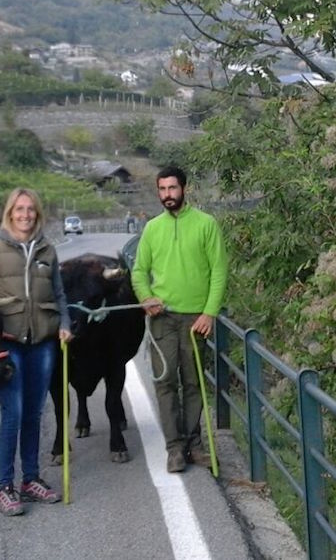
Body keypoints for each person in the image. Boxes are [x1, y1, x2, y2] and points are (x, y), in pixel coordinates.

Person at [0, 187, 73, 515]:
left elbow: (59, 293)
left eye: (30, 209)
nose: (25, 215)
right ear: (10, 213)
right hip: (8, 344)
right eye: (19, 209)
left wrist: (65, 323)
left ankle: (30, 480)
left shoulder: (48, 250)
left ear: (37, 213)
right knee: (13, 414)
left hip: (43, 343)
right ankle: (5, 485)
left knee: (34, 413)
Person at [130, 165, 229, 473]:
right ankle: (174, 449)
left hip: (195, 320)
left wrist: (209, 313)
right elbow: (139, 271)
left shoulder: (206, 224)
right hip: (162, 319)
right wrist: (146, 297)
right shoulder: (152, 229)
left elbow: (219, 271)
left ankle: (193, 445)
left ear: (185, 188)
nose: (167, 195)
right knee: (165, 382)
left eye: (172, 188)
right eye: (162, 189)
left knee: (193, 382)